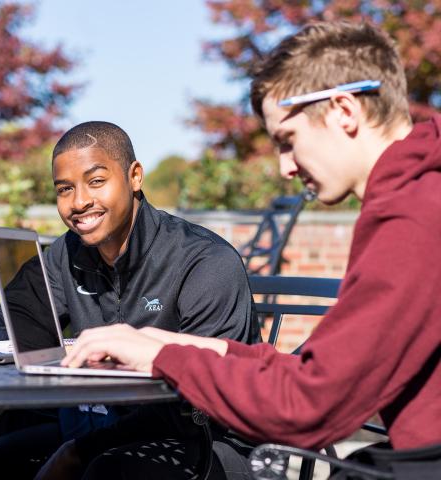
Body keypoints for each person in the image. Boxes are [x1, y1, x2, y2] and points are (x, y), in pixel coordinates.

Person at [61, 21, 441, 479]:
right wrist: (169, 342)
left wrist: (161, 359)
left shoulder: (415, 217)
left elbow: (307, 405)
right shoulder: (417, 198)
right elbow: (314, 371)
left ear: (344, 110)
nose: (284, 167)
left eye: (288, 141)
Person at [0, 121, 261, 478]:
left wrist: (81, 451)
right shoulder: (65, 255)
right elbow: (18, 321)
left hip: (206, 440)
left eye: (96, 181)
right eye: (64, 189)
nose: (79, 202)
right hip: (103, 426)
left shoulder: (204, 261)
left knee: (106, 471)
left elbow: (202, 398)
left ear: (135, 177)